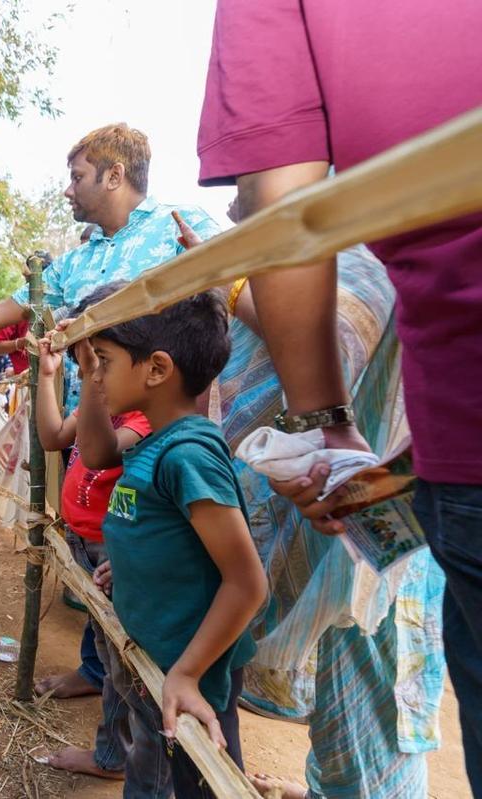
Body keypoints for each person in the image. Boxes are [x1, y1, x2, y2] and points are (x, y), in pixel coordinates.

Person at [197, 5, 482, 793]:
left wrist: (233, 287)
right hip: (407, 488)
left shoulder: (346, 250)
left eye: (238, 195)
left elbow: (338, 319)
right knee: (347, 719)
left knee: (375, 711)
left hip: (389, 525)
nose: (232, 205)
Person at [73, 282, 267, 798]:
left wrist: (186, 674)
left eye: (104, 362)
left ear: (157, 369)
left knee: (200, 781)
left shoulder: (187, 455)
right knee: (159, 768)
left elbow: (247, 583)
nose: (96, 375)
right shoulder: (156, 443)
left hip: (192, 671)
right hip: (163, 660)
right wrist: (132, 563)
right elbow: (164, 530)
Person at [0, 124, 223, 410]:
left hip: (160, 435)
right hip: (86, 432)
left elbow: (229, 307)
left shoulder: (182, 226)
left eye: (78, 177)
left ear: (114, 176)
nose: (68, 191)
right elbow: (0, 311)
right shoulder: (74, 262)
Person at [32, 311, 156, 788]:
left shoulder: (139, 417)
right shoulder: (99, 401)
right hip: (85, 540)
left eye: (104, 360)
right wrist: (49, 376)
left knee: (122, 661)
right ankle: (111, 738)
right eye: (94, 359)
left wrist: (88, 376)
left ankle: (111, 756)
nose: (97, 370)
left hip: (111, 548)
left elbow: (99, 451)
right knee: (104, 638)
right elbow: (52, 437)